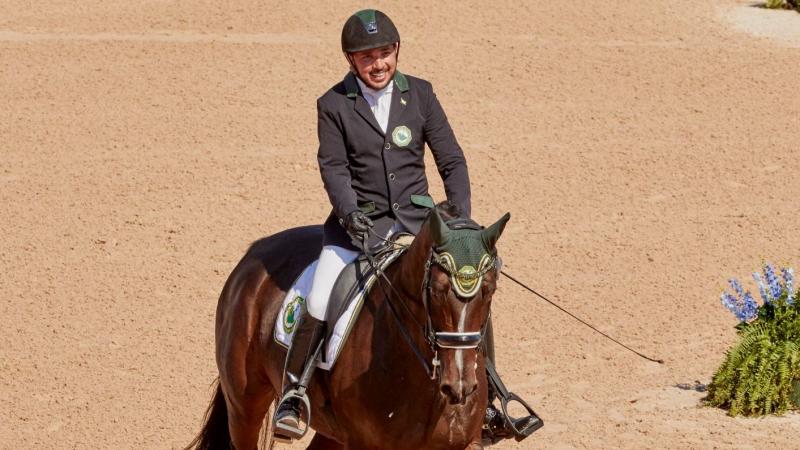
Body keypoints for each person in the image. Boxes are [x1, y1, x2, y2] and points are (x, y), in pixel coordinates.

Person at [272, 9, 515, 444]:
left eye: (385, 53)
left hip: (421, 228)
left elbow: (452, 160)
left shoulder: (420, 95)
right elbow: (334, 170)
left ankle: (492, 398)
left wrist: (457, 218)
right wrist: (352, 219)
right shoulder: (333, 105)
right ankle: (295, 392)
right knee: (323, 293)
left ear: (397, 51)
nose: (378, 64)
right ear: (351, 60)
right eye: (367, 57)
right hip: (356, 232)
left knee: (468, 287)